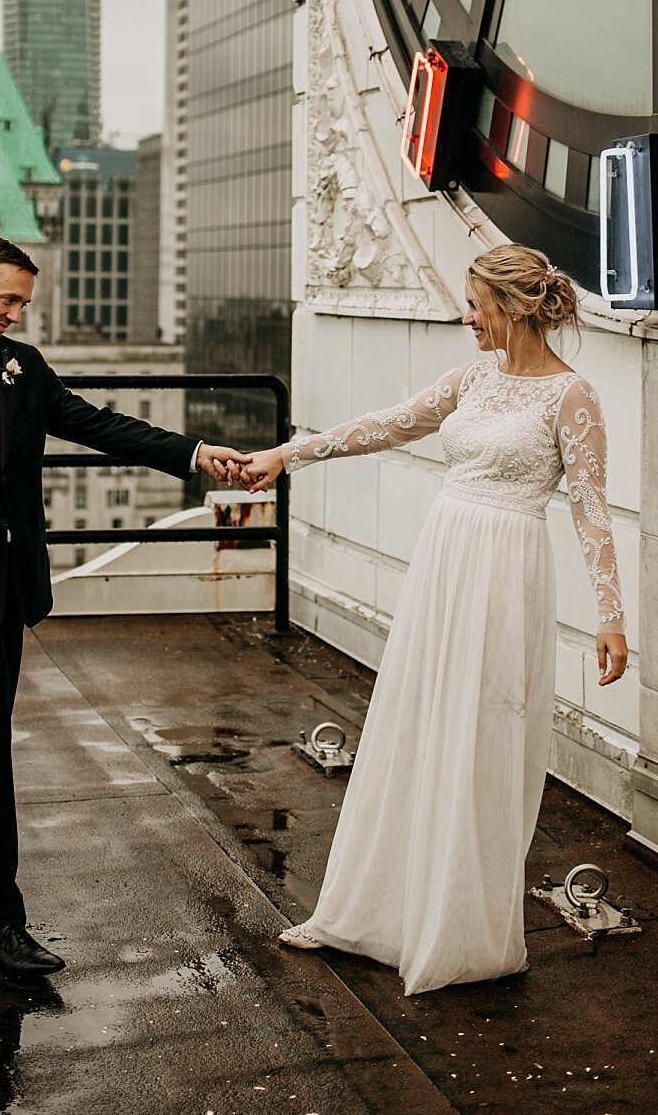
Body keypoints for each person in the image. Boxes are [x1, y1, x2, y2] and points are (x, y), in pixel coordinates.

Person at [0, 234, 250, 981]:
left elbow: (94, 423)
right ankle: (0, 922)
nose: (16, 315)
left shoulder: (21, 366)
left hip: (9, 589)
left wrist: (194, 454)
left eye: (23, 304)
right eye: (7, 300)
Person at [236, 243, 627, 996]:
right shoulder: (469, 379)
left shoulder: (571, 396)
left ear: (514, 307)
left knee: (481, 733)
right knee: (413, 722)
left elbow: (592, 509)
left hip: (507, 568)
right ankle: (364, 911)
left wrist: (611, 617)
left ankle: (458, 929)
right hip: (446, 557)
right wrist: (290, 454)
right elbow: (386, 425)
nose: (465, 315)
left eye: (475, 302)